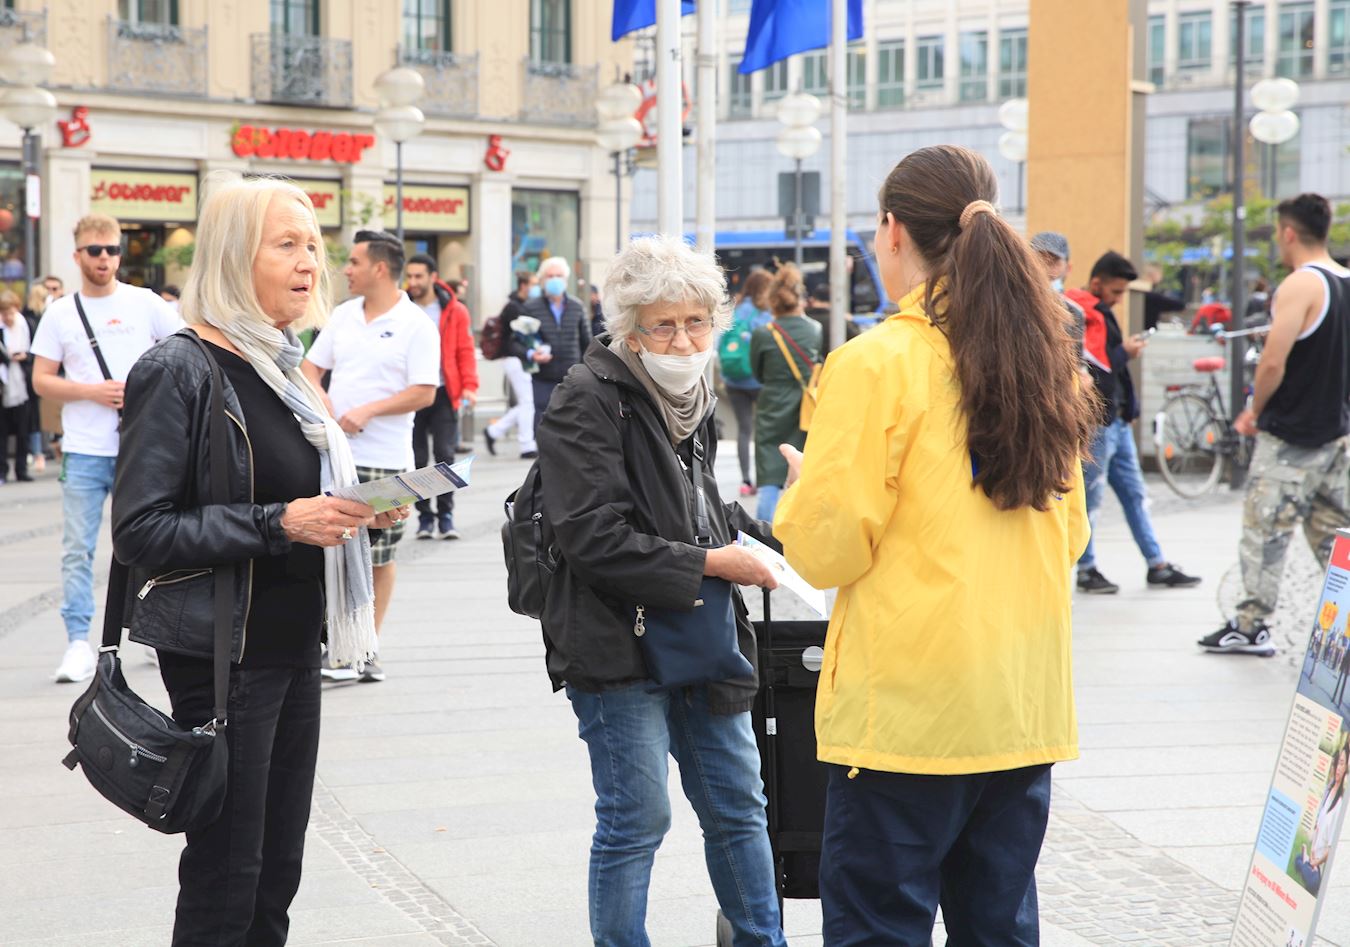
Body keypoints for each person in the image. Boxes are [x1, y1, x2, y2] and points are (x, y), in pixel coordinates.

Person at [773, 144, 1096, 944]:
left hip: (906, 715)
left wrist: (800, 493)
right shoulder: (1046, 359)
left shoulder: (876, 362)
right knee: (999, 928)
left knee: (878, 926)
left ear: (893, 230)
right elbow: (1070, 535)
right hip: (1020, 706)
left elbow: (826, 550)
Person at [111, 176, 407, 946]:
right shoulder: (179, 368)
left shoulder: (285, 367)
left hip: (293, 643)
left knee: (278, 871)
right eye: (287, 244)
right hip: (223, 657)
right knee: (228, 876)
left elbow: (297, 496)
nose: (311, 262)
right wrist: (282, 522)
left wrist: (356, 508)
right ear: (234, 255)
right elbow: (141, 530)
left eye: (313, 245)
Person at [536, 234, 786, 947]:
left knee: (740, 806)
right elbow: (591, 535)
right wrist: (713, 565)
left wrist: (783, 534)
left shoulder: (694, 396)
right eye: (663, 325)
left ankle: (763, 940)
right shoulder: (587, 397)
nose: (682, 340)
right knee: (637, 818)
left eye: (696, 321)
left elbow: (702, 511)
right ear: (630, 330)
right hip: (613, 638)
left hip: (698, 633)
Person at [30, 213, 181, 684]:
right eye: (95, 250)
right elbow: (41, 380)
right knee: (77, 547)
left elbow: (186, 352)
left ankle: (154, 633)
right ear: (77, 255)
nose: (105, 258)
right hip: (84, 448)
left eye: (113, 250)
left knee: (150, 543)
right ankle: (78, 641)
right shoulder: (60, 312)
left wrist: (149, 393)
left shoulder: (145, 302)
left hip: (141, 446)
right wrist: (91, 392)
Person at [1201, 194, 1350, 656]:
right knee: (1335, 536)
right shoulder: (1346, 281)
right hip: (1336, 432)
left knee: (1265, 529)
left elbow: (1271, 363)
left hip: (1290, 435)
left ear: (1288, 233)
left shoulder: (1301, 284)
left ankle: (1251, 625)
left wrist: (1254, 411)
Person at [302, 230, 439, 683]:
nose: (346, 269)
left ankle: (365, 648)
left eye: (354, 262)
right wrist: (321, 398)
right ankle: (333, 644)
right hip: (333, 455)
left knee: (378, 555)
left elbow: (424, 391)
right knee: (331, 548)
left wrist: (369, 410)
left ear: (379, 268)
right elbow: (309, 367)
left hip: (386, 459)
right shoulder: (343, 315)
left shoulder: (416, 323)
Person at [1066, 251, 1200, 594]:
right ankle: (1086, 569)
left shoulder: (1098, 310)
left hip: (1117, 423)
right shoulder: (1082, 312)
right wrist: (1125, 351)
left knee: (1135, 496)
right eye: (1116, 291)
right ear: (1096, 283)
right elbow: (1096, 368)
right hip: (1099, 425)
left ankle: (1157, 564)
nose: (1119, 298)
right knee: (1090, 499)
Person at [404, 252, 478, 540]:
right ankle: (425, 517)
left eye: (418, 276)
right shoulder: (402, 308)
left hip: (444, 392)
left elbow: (465, 350)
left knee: (444, 456)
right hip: (410, 394)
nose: (413, 282)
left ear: (433, 277)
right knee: (416, 458)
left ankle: (446, 515)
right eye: (409, 276)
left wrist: (469, 385)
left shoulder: (454, 310)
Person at [750, 263, 820, 521]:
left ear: (773, 302)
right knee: (803, 465)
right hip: (804, 407)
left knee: (769, 472)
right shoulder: (814, 329)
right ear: (799, 299)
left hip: (772, 404)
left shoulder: (763, 333)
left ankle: (765, 532)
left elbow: (757, 372)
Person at [509, 256, 590, 434]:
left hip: (571, 378)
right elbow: (515, 343)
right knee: (544, 427)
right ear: (542, 280)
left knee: (570, 426)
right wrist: (531, 354)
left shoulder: (577, 307)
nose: (555, 280)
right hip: (543, 379)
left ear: (566, 279)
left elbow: (587, 343)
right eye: (550, 276)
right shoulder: (530, 307)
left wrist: (586, 373)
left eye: (559, 276)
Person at [718, 269, 772, 496]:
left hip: (734, 380)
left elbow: (721, 342)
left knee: (744, 429)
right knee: (763, 431)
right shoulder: (764, 313)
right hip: (758, 380)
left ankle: (746, 480)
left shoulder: (736, 310)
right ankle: (764, 479)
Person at [483, 272, 539, 458]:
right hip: (515, 359)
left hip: (522, 359)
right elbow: (519, 337)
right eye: (533, 284)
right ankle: (526, 445)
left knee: (526, 402)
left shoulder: (521, 305)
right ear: (523, 285)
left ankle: (494, 431)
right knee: (527, 402)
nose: (536, 288)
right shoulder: (514, 308)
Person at [1294, 739, 1348, 895]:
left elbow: (1330, 850)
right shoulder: (1329, 791)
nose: (1337, 768)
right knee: (1298, 859)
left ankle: (1306, 867)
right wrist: (1310, 853)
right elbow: (1318, 828)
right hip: (1314, 857)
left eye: (1342, 764)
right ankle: (1305, 863)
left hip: (1319, 863)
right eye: (1337, 763)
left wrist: (1315, 862)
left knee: (1311, 879)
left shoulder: (1339, 804)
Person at [0, 290, 32, 483]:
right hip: (3, 384)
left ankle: (22, 469)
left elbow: (34, 352)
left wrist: (24, 356)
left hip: (21, 383)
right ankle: (2, 470)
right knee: (2, 431)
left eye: (11, 312)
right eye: (4, 313)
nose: (8, 317)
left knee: (23, 431)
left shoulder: (24, 325)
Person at [1142, 264, 1186, 331]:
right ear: (1154, 275)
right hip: (1147, 329)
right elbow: (1179, 305)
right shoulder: (1152, 296)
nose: (1161, 277)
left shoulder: (1147, 295)